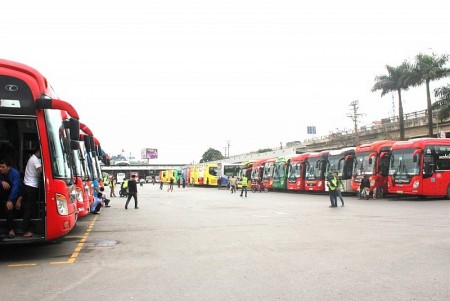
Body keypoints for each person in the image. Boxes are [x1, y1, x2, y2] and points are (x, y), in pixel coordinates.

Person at [22, 148, 42, 238]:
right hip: (31, 186)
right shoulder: (35, 160)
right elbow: (41, 170)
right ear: (39, 151)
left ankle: (30, 227)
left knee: (30, 208)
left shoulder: (33, 159)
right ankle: (25, 230)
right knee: (28, 209)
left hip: (28, 185)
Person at [0, 158, 22, 238]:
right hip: (3, 195)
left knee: (8, 208)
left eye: (3, 167)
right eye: (0, 167)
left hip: (15, 195)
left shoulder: (15, 173)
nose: (0, 169)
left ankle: (11, 230)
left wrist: (10, 200)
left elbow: (15, 188)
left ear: (8, 167)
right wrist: (1, 182)